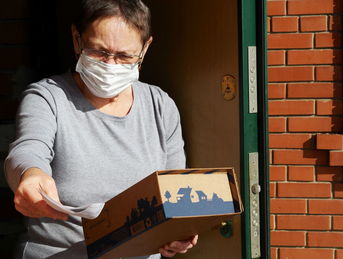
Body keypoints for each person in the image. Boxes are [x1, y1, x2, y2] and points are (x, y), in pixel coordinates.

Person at [4, 0, 198, 258]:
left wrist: (178, 232)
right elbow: (28, 150)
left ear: (145, 48)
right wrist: (30, 174)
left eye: (125, 56)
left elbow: (173, 195)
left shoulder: (161, 106)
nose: (111, 65)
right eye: (99, 52)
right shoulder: (48, 97)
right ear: (77, 39)